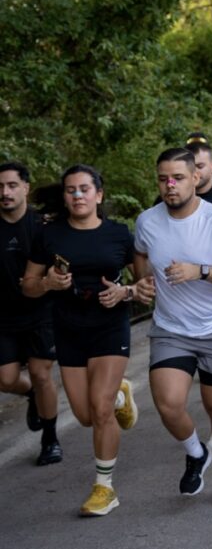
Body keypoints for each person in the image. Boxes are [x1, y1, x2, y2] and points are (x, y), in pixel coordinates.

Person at [133, 148, 212, 503]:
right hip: (171, 329)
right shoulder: (147, 221)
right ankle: (197, 453)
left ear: (195, 178)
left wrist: (200, 271)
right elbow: (140, 253)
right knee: (168, 404)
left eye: (178, 178)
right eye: (163, 179)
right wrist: (142, 281)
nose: (170, 185)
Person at [23, 165, 138, 517]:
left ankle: (104, 488)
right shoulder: (49, 236)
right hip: (68, 328)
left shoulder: (119, 234)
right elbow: (28, 285)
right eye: (70, 190)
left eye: (84, 189)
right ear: (64, 197)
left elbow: (146, 284)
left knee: (101, 410)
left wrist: (125, 292)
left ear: (98, 195)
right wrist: (48, 284)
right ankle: (120, 393)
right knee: (86, 416)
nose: (77, 195)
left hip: (110, 326)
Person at [0, 161, 61, 465]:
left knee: (40, 373)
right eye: (0, 187)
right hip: (4, 317)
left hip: (41, 311)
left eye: (12, 185)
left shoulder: (43, 225)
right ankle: (32, 396)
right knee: (6, 379)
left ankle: (50, 439)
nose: (5, 192)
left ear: (25, 187)